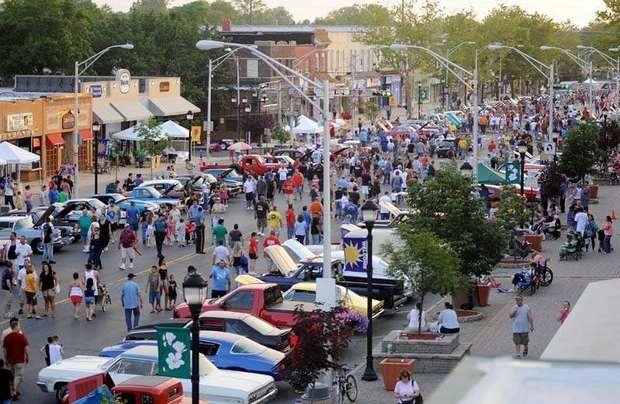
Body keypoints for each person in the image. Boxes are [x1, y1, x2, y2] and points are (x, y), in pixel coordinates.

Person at [2, 318, 28, 400]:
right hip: (19, 359)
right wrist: (26, 356)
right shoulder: (21, 336)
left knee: (12, 375)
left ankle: (12, 390)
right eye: (19, 325)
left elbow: (4, 349)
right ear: (16, 326)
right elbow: (26, 348)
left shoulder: (7, 337)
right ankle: (14, 391)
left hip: (10, 360)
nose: (20, 326)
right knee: (18, 376)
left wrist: (6, 359)